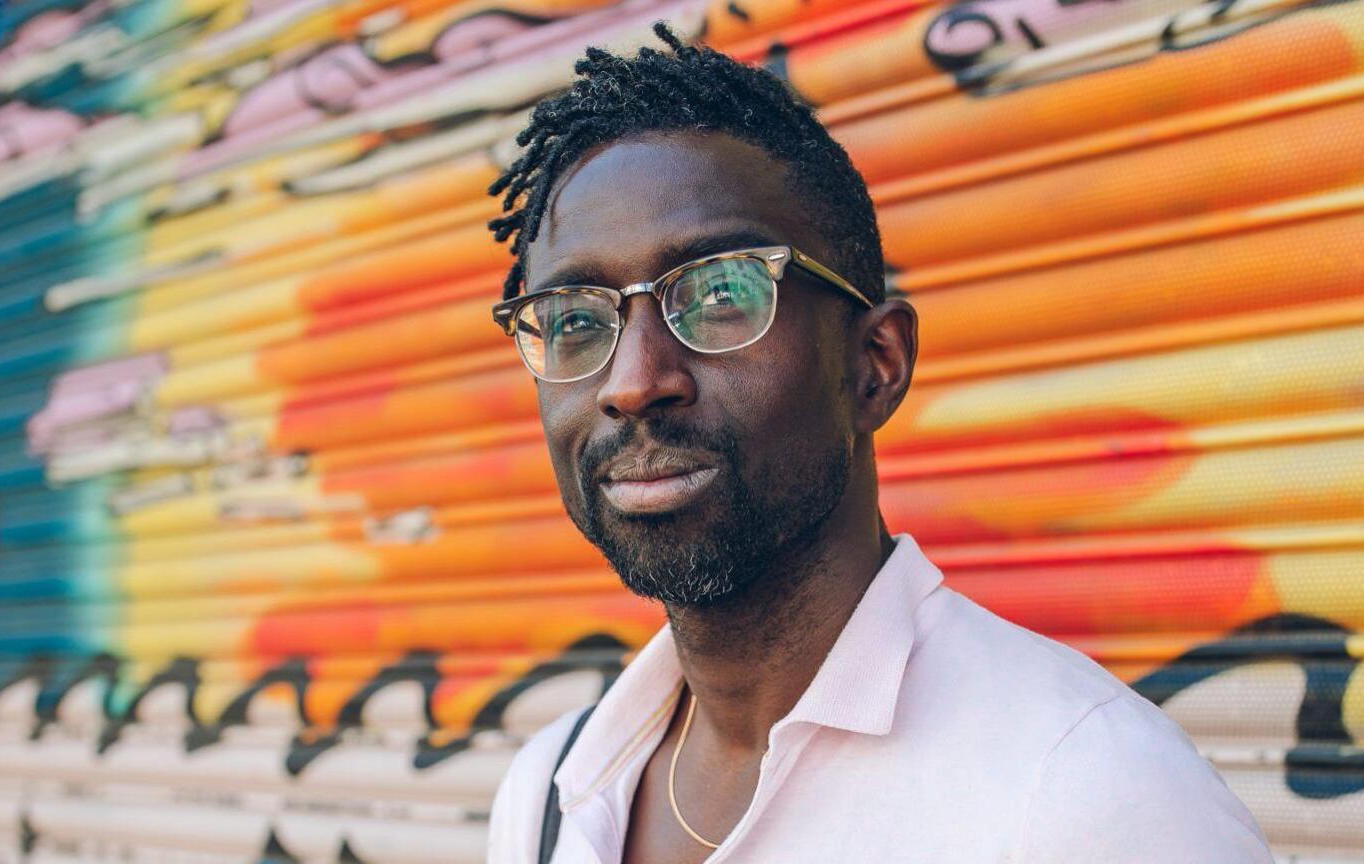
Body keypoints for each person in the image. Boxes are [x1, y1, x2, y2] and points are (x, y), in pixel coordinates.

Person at [483, 23, 1271, 864]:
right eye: (575, 320)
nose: (633, 381)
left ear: (875, 365)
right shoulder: (554, 793)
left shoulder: (1083, 796)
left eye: (720, 295)